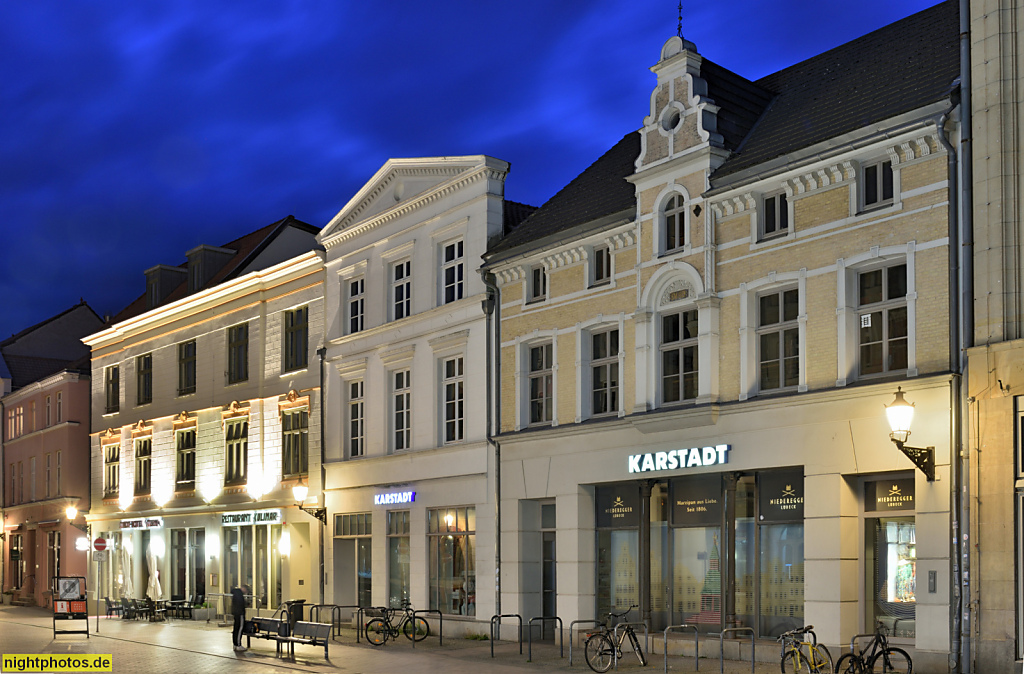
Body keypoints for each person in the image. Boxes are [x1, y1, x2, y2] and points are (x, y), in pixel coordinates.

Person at [231, 584, 249, 652]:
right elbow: (241, 604)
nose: (246, 592)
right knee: (240, 628)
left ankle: (235, 644)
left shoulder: (236, 593)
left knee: (236, 629)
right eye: (246, 590)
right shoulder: (239, 595)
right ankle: (238, 644)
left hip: (236, 613)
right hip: (240, 614)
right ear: (244, 588)